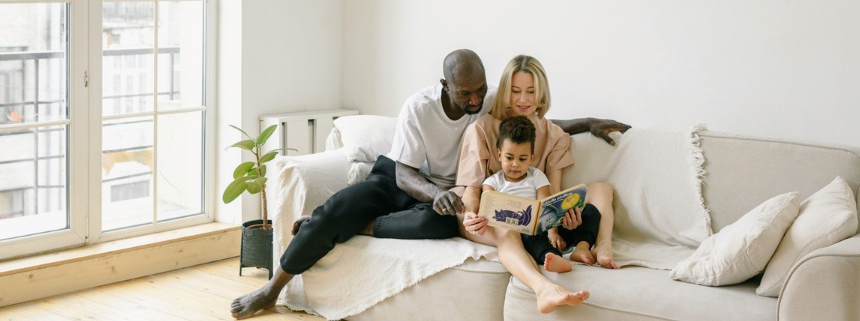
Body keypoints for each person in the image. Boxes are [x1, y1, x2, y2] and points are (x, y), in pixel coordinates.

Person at [230, 49, 628, 319]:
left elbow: (534, 118)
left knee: (438, 225)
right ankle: (274, 287)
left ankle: (352, 226)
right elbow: (404, 173)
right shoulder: (419, 108)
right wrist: (437, 194)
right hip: (399, 178)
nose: (475, 99)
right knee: (341, 208)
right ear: (445, 85)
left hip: (445, 193)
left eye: (480, 90)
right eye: (465, 92)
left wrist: (587, 124)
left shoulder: (487, 101)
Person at [457, 54, 622, 269]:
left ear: (541, 92)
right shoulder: (480, 130)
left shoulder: (554, 135)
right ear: (505, 91)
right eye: (515, 91)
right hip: (489, 218)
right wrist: (471, 216)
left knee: (602, 189)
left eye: (531, 91)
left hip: (535, 217)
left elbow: (552, 193)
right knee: (506, 228)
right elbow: (472, 190)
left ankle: (602, 245)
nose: (523, 100)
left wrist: (561, 219)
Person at [465, 116, 594, 313]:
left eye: (522, 159)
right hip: (517, 232)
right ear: (499, 155)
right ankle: (553, 258)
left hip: (539, 226)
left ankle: (573, 249)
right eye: (509, 158)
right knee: (531, 240)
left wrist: (553, 232)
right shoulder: (493, 182)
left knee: (590, 212)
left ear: (531, 158)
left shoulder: (537, 176)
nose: (515, 164)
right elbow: (489, 208)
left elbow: (545, 206)